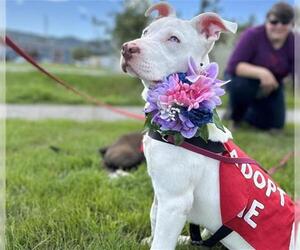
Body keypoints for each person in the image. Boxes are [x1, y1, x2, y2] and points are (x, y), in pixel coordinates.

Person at [225, 2, 294, 130]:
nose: (279, 26)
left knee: (275, 126)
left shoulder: (295, 43)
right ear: (267, 21)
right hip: (243, 80)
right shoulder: (252, 35)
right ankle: (236, 118)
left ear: (291, 24)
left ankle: (248, 112)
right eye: (274, 21)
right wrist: (263, 73)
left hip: (273, 86)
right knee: (242, 86)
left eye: (284, 22)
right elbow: (233, 66)